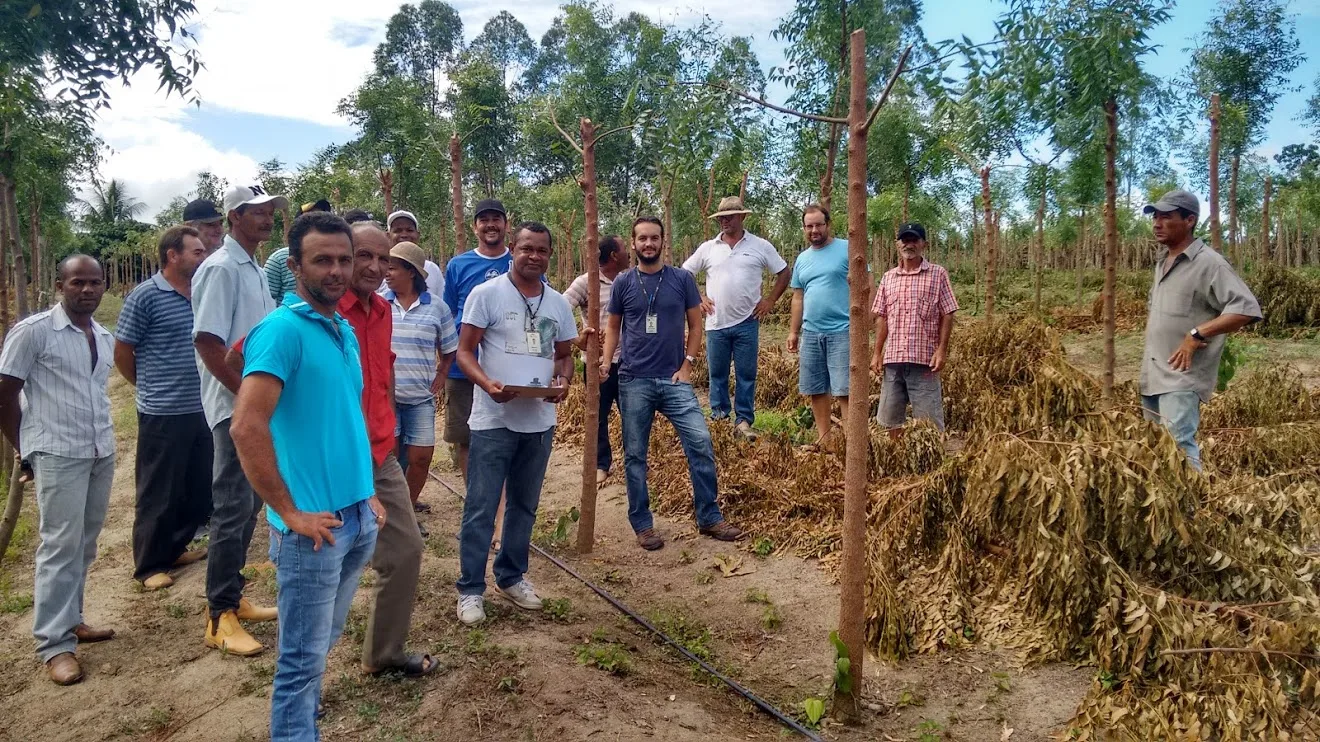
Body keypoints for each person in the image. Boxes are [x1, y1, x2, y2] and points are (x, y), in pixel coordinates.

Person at [229, 211, 385, 741]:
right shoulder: (282, 330)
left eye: (345, 259)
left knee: (324, 639)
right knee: (300, 658)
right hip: (313, 529)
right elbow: (246, 426)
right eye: (323, 260)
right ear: (295, 265)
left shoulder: (340, 327)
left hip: (355, 516)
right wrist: (289, 511)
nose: (337, 270)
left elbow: (343, 418)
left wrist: (367, 495)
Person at [0, 255, 116, 686]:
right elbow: (5, 394)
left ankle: (74, 620)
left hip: (99, 449)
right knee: (58, 546)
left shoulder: (102, 336)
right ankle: (54, 645)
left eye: (95, 282)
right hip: (58, 452)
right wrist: (26, 450)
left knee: (84, 543)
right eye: (78, 282)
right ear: (59, 285)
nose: (87, 289)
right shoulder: (33, 333)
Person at [454, 222, 576, 626]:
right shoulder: (485, 294)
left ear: (550, 255)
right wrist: (487, 383)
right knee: (481, 506)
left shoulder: (558, 304)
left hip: (539, 420)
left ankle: (511, 576)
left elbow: (563, 356)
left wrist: (563, 381)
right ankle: (471, 589)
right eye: (526, 248)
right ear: (513, 249)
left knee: (524, 506)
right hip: (493, 419)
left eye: (542, 250)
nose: (534, 256)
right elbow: (465, 352)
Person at [334, 223, 440, 679]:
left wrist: (388, 425)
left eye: (384, 259)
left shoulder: (380, 311)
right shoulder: (315, 310)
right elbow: (246, 362)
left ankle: (384, 651)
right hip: (330, 460)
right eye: (364, 256)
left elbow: (386, 371)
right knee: (325, 570)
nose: (376, 268)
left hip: (379, 456)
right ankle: (301, 687)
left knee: (405, 550)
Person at [602, 217, 745, 552]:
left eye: (654, 238)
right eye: (642, 239)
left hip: (674, 380)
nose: (648, 244)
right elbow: (613, 327)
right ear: (633, 242)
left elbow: (696, 326)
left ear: (663, 241)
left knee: (700, 442)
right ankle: (643, 524)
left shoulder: (681, 279)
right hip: (633, 379)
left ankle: (708, 516)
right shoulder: (623, 282)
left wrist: (688, 365)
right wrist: (607, 361)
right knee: (635, 455)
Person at [193, 183, 286, 656]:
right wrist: (247, 398)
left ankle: (233, 595)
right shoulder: (221, 268)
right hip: (233, 409)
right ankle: (218, 616)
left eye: (271, 211)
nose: (267, 218)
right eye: (257, 212)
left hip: (252, 407)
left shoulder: (251, 266)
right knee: (232, 505)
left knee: (249, 504)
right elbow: (208, 343)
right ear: (233, 216)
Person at [114, 226, 212, 592]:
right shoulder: (145, 296)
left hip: (202, 406)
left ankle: (174, 547)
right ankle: (149, 564)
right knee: (159, 489)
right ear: (173, 255)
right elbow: (123, 350)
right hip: (163, 411)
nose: (204, 257)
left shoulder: (201, 293)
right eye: (197, 251)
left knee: (198, 487)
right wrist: (148, 386)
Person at [1140, 189, 1261, 470]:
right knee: (1157, 449)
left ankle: (1193, 511)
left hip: (1182, 378)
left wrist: (1196, 335)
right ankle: (1168, 512)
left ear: (1190, 220)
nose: (1157, 223)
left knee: (1179, 446)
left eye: (1166, 217)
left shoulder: (1209, 263)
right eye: (1155, 217)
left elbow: (1245, 308)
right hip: (1153, 372)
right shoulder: (1164, 262)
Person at [683, 196, 790, 439]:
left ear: (742, 217)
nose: (724, 221)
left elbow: (784, 272)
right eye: (721, 218)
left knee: (746, 374)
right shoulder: (708, 248)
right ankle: (720, 418)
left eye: (729, 217)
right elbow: (685, 273)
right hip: (716, 323)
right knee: (717, 374)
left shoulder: (760, 246)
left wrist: (770, 300)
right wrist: (699, 297)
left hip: (747, 322)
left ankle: (743, 421)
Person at [384, 241, 457, 517]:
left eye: (392, 269)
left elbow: (449, 349)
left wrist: (441, 373)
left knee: (421, 457)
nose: (386, 274)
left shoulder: (436, 308)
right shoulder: (380, 304)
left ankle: (406, 509)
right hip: (385, 398)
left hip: (420, 399)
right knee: (387, 458)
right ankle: (388, 513)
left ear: (411, 272)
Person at [442, 198, 512, 480]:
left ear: (506, 225)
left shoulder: (518, 260)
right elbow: (447, 314)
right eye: (484, 220)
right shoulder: (459, 265)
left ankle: (501, 497)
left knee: (506, 432)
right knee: (466, 435)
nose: (491, 225)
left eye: (497, 219)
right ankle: (475, 495)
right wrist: (445, 359)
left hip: (507, 364)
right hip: (464, 366)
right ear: (474, 227)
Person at [870, 223, 958, 433]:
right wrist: (876, 353)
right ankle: (898, 460)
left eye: (914, 240)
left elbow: (948, 312)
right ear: (897, 244)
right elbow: (882, 316)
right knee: (890, 421)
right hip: (893, 361)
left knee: (930, 424)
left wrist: (942, 350)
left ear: (923, 244)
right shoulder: (889, 277)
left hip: (925, 361)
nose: (909, 244)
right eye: (905, 240)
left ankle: (933, 463)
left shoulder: (938, 274)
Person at [787, 205, 852, 447]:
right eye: (809, 226)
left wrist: (866, 320)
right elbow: (798, 297)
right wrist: (794, 332)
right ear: (804, 228)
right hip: (811, 332)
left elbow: (865, 283)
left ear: (828, 224)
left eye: (819, 224)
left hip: (843, 330)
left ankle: (850, 443)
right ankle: (825, 442)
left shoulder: (847, 248)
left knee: (844, 389)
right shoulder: (803, 259)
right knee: (816, 388)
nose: (814, 230)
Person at [563, 235, 627, 484]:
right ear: (613, 256)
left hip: (629, 362)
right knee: (597, 416)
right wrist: (575, 338)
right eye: (624, 249)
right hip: (596, 362)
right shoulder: (585, 282)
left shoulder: (629, 279)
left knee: (631, 415)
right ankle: (602, 463)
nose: (628, 254)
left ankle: (634, 461)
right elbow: (559, 308)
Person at [264, 199, 332, 302]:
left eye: (322, 218)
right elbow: (264, 300)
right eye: (310, 219)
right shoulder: (278, 259)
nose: (318, 223)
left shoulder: (337, 258)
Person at [384, 210, 444, 299]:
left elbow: (440, 307)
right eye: (398, 230)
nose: (404, 235)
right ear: (388, 236)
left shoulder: (432, 269)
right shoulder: (379, 268)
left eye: (409, 230)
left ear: (418, 235)